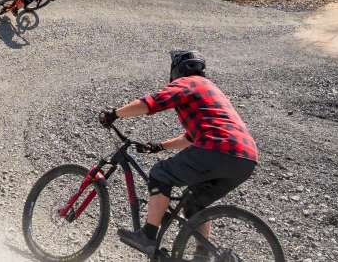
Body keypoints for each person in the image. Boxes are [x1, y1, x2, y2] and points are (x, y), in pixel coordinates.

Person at [98, 50, 258, 259]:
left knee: (160, 173)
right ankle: (203, 254)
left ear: (177, 69)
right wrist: (159, 146)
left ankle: (147, 236)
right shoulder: (211, 89)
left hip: (218, 149)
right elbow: (191, 138)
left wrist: (114, 114)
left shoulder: (187, 83)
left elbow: (150, 104)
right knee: (194, 204)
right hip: (245, 158)